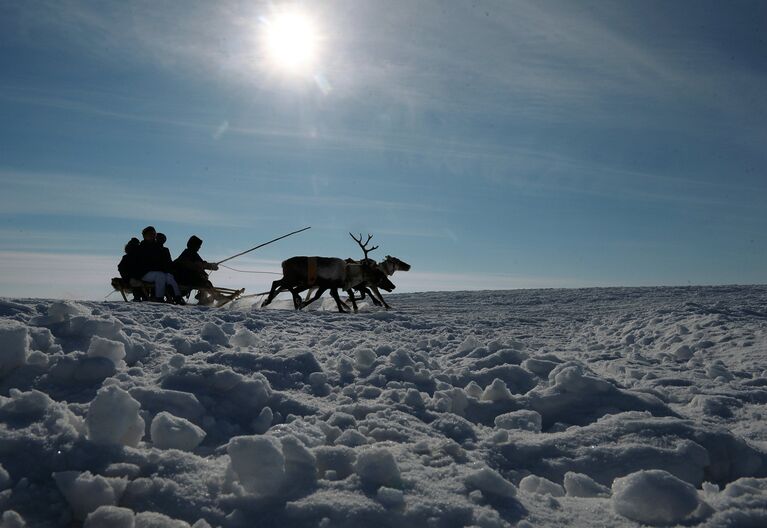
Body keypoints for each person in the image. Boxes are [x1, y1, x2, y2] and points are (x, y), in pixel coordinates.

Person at [137, 226, 185, 305]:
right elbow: (142, 263)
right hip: (144, 273)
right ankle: (159, 298)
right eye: (150, 234)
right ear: (144, 236)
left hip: (158, 272)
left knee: (169, 276)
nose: (152, 235)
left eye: (153, 234)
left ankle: (178, 297)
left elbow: (166, 263)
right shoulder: (141, 248)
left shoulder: (159, 247)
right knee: (160, 275)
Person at [173, 235, 219, 305]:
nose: (199, 247)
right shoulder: (187, 254)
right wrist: (210, 266)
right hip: (184, 279)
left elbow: (201, 263)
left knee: (205, 282)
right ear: (194, 245)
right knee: (205, 283)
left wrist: (211, 266)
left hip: (190, 278)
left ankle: (206, 297)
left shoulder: (192, 253)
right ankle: (216, 297)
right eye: (198, 246)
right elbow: (195, 265)